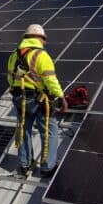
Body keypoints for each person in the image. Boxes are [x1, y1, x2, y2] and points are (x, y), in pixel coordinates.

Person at [7, 24, 68, 177]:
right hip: (37, 101)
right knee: (49, 131)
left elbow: (9, 78)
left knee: (23, 130)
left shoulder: (13, 55)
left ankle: (24, 165)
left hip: (19, 99)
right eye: (43, 39)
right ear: (39, 38)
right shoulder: (41, 55)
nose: (44, 42)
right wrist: (61, 98)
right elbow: (50, 80)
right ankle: (47, 167)